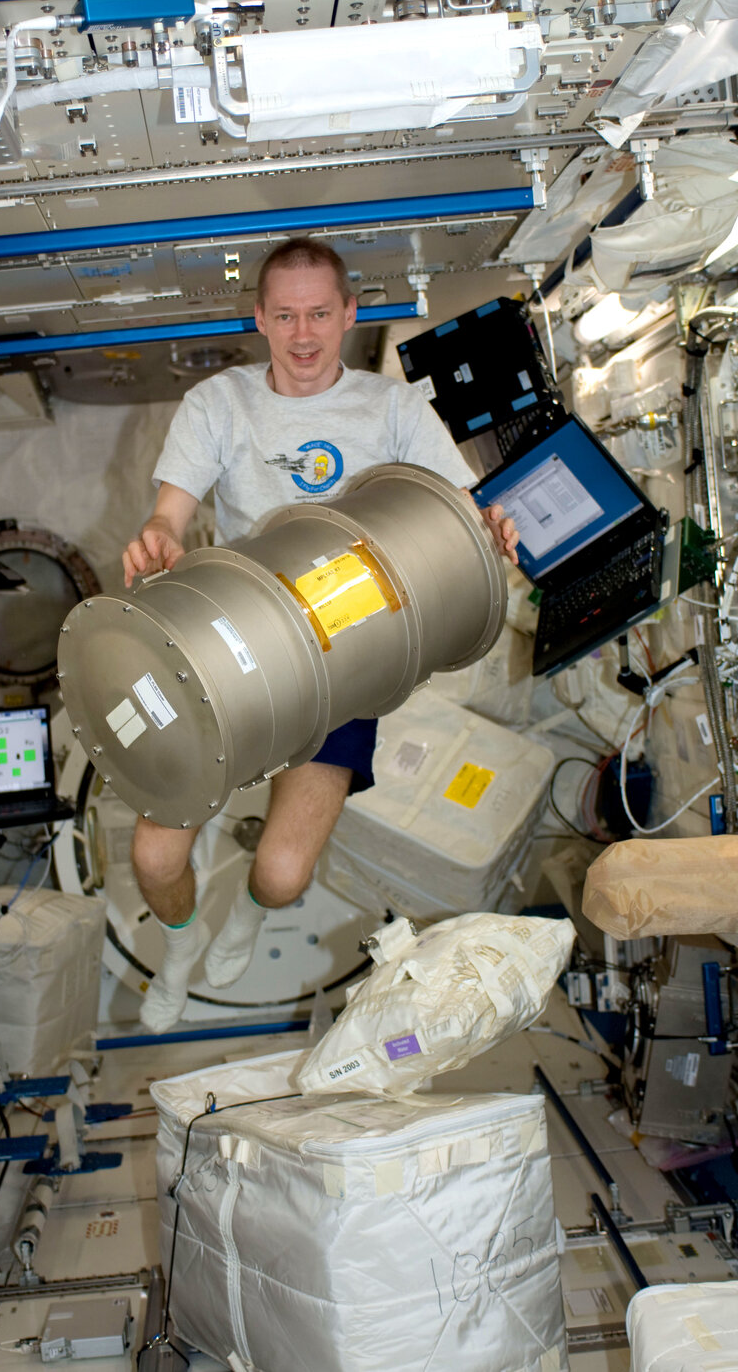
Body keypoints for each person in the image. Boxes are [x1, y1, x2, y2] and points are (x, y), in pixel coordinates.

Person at [121, 238, 520, 1032]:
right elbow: (169, 513)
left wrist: (490, 527)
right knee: (154, 856)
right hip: (229, 650)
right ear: (260, 317)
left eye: (320, 314)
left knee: (280, 871)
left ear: (350, 313)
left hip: (344, 661)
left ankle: (247, 913)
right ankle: (179, 939)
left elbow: (464, 509)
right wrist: (161, 536)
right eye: (285, 315)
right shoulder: (221, 404)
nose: (303, 336)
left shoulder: (395, 410)